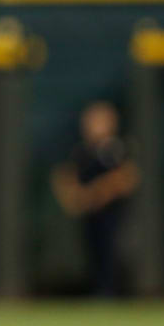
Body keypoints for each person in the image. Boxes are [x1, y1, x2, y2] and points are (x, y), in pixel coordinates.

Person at [51, 100, 139, 296]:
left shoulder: (117, 148)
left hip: (113, 214)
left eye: (99, 121)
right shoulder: (81, 151)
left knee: (112, 251)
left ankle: (113, 292)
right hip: (89, 213)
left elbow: (126, 179)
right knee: (91, 251)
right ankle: (98, 290)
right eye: (90, 121)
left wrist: (96, 194)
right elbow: (64, 176)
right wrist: (75, 198)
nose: (93, 126)